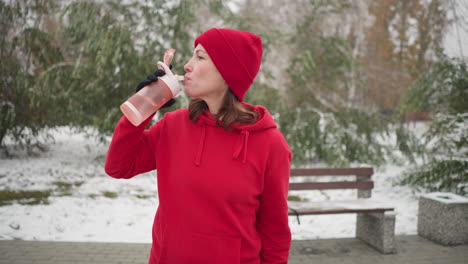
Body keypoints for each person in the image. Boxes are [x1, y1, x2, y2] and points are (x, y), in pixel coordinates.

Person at [105, 28, 292, 264]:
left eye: (200, 57)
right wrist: (144, 104)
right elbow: (118, 167)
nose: (187, 65)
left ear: (227, 71)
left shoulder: (269, 144)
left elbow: (275, 231)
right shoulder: (172, 126)